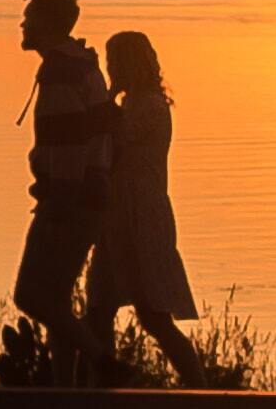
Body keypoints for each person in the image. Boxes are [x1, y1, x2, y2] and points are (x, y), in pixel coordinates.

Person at [83, 28, 231, 386]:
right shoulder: (133, 105)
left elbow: (110, 142)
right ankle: (99, 388)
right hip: (116, 217)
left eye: (115, 60)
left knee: (153, 315)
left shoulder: (147, 106)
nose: (110, 66)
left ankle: (198, 387)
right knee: (99, 308)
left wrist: (107, 94)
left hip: (140, 218)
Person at [10, 0, 118, 382]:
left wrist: (59, 203)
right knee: (56, 300)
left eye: (31, 16)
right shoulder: (84, 66)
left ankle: (104, 364)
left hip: (68, 202)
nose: (23, 23)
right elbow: (101, 135)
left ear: (48, 24)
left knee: (30, 295)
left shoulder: (60, 72)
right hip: (91, 198)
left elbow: (69, 146)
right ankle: (64, 389)